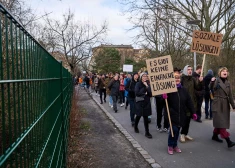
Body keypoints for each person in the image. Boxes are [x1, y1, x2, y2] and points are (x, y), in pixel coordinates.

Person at [163, 71, 196, 155]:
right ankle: (170, 145)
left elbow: (189, 101)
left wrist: (193, 112)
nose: (177, 79)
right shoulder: (168, 90)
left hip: (181, 114)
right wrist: (163, 97)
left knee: (177, 130)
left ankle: (175, 145)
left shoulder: (183, 90)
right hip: (172, 114)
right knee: (173, 130)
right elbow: (162, 103)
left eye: (178, 78)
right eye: (175, 78)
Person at [209, 67, 235, 148]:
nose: (225, 72)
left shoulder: (228, 82)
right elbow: (210, 88)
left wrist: (233, 105)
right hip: (217, 103)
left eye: (226, 71)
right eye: (223, 71)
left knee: (220, 122)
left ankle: (214, 136)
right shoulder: (216, 80)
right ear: (220, 73)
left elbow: (230, 95)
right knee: (221, 123)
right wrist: (211, 82)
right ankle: (228, 140)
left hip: (225, 104)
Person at [180, 65, 203, 142]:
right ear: (185, 70)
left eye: (191, 69)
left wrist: (200, 82)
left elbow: (198, 88)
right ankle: (182, 134)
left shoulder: (193, 79)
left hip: (192, 103)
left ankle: (185, 134)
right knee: (184, 120)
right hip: (183, 103)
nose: (190, 71)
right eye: (188, 69)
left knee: (189, 120)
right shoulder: (182, 79)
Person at [134, 72, 152, 139]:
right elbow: (137, 93)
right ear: (141, 77)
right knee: (138, 115)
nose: (145, 77)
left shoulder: (148, 84)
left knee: (145, 117)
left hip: (146, 102)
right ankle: (135, 126)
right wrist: (145, 92)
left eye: (146, 76)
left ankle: (147, 132)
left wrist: (147, 86)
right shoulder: (138, 84)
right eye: (143, 76)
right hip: (139, 102)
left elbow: (150, 94)